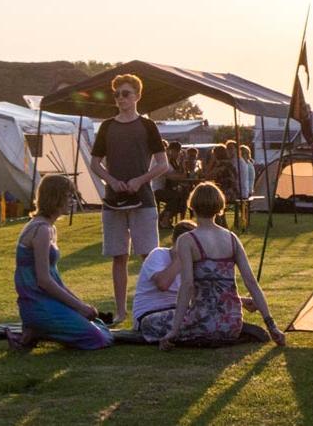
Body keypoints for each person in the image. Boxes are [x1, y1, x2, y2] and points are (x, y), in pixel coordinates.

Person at [154, 182, 286, 350]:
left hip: (203, 322)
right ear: (220, 206)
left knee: (149, 323)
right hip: (231, 324)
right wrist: (272, 325)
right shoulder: (232, 238)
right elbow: (251, 283)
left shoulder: (187, 240)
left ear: (192, 206)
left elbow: (187, 286)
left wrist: (174, 331)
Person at [90, 73, 170, 325]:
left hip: (143, 200)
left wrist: (140, 180)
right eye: (117, 94)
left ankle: (151, 308)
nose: (120, 99)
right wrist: (111, 180)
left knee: (149, 256)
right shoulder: (107, 127)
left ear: (137, 96)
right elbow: (95, 163)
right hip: (113, 201)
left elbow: (163, 164)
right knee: (118, 256)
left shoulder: (148, 126)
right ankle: (121, 311)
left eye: (125, 93)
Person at [8, 174, 113, 350]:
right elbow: (44, 280)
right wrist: (79, 306)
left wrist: (82, 306)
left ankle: (36, 331)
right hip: (36, 302)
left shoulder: (49, 228)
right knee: (98, 338)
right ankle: (38, 328)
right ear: (55, 197)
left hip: (46, 299)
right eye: (68, 196)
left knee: (100, 325)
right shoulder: (40, 230)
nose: (73, 200)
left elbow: (54, 278)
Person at [132, 220, 197, 330]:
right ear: (173, 241)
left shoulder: (194, 262)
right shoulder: (158, 254)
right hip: (150, 313)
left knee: (206, 317)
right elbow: (163, 284)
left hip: (178, 311)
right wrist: (181, 258)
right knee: (187, 323)